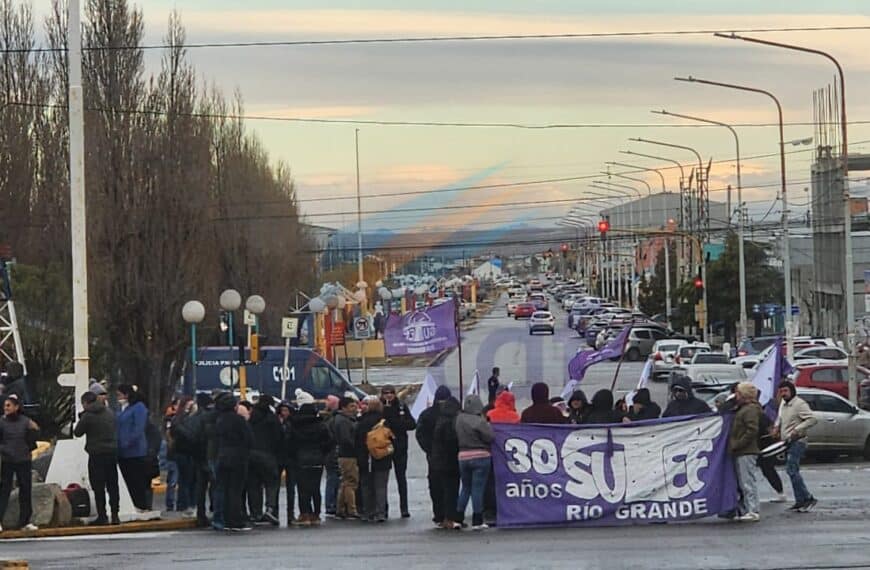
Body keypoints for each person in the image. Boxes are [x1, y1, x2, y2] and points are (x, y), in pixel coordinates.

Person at [74, 391, 120, 525]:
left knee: (98, 486)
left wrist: (82, 417)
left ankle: (102, 515)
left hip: (96, 455)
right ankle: (115, 515)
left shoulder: (88, 416)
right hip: (111, 452)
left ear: (86, 403)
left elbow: (78, 432)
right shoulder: (109, 412)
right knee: (113, 485)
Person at [774, 380, 818, 512]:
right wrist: (777, 427)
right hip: (787, 442)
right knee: (792, 471)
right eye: (781, 391)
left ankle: (807, 498)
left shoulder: (799, 404)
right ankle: (800, 500)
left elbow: (812, 419)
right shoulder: (783, 404)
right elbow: (780, 417)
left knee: (792, 469)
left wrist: (797, 429)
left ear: (792, 391)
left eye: (786, 391)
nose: (783, 394)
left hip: (798, 441)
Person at [290, 389, 332, 526]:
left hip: (301, 459)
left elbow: (290, 442)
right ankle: (316, 514)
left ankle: (305, 514)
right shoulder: (320, 425)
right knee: (315, 488)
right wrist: (322, 454)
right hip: (317, 459)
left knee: (303, 489)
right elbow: (329, 442)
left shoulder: (295, 425)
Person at [0, 394, 39, 531]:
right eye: (5, 405)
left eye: (9, 405)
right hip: (7, 460)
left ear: (16, 407)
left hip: (23, 460)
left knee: (25, 490)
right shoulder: (2, 422)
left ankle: (25, 521)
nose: (6, 408)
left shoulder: (26, 422)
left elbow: (34, 435)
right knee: (4, 490)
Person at [215, 393, 253, 531]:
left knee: (225, 489)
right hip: (238, 458)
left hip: (222, 456)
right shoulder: (239, 421)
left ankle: (226, 519)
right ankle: (236, 520)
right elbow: (249, 439)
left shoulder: (219, 420)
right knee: (236, 490)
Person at [455, 394, 494, 530]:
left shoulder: (459, 419)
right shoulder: (480, 421)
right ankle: (477, 520)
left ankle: (458, 518)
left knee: (465, 488)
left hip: (463, 456)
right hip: (480, 456)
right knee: (477, 489)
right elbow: (490, 437)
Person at [416, 385, 453, 526]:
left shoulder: (426, 414)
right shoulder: (453, 413)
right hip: (449, 455)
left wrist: (429, 449)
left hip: (433, 456)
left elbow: (420, 434)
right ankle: (450, 513)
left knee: (435, 485)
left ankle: (438, 514)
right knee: (450, 485)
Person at [728, 382, 763, 522]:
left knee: (748, 482)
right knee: (743, 482)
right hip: (741, 451)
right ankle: (746, 509)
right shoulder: (742, 408)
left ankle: (753, 510)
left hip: (746, 451)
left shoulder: (750, 410)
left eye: (738, 393)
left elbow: (752, 430)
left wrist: (737, 444)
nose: (736, 396)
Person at [380, 385, 416, 518]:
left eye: (391, 393)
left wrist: (398, 424)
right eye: (386, 393)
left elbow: (412, 424)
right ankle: (383, 508)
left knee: (401, 478)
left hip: (400, 447)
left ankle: (404, 508)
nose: (388, 395)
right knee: (382, 479)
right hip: (384, 446)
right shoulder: (379, 407)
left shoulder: (401, 406)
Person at [355, 396, 392, 523]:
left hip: (365, 458)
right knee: (381, 487)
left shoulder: (362, 422)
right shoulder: (384, 422)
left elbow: (358, 442)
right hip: (382, 458)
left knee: (366, 486)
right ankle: (380, 512)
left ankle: (367, 511)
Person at [116, 384, 151, 513]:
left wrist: (127, 442)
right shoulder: (124, 409)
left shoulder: (139, 408)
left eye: (120, 394)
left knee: (137, 480)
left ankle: (141, 505)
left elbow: (138, 428)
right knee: (128, 480)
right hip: (123, 452)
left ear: (127, 394)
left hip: (135, 451)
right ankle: (133, 504)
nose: (118, 397)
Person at [248, 395, 282, 525]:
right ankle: (270, 508)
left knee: (254, 485)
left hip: (252, 455)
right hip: (268, 455)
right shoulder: (271, 418)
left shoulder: (252, 418)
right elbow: (278, 437)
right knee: (272, 483)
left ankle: (255, 512)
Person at [430, 395, 462, 529]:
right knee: (451, 491)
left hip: (438, 461)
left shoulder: (440, 420)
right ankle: (450, 517)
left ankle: (443, 517)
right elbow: (451, 442)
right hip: (449, 462)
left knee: (442, 490)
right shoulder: (451, 423)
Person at [332, 396, 359, 519]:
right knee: (351, 482)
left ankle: (340, 508)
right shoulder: (343, 421)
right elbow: (346, 439)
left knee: (344, 483)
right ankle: (351, 509)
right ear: (344, 408)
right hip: (348, 455)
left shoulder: (343, 419)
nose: (355, 408)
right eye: (351, 406)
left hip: (345, 454)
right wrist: (356, 448)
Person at [757, 404, 786, 503]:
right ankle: (780, 492)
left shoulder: (760, 416)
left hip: (763, 447)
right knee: (768, 470)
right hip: (764, 446)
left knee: (768, 470)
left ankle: (780, 492)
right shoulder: (763, 415)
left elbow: (770, 431)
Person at [276, 401, 297, 525]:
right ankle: (275, 512)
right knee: (276, 486)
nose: (284, 413)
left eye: (286, 410)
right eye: (282, 410)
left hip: (290, 457)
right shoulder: (276, 423)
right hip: (281, 457)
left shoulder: (292, 424)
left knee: (291, 488)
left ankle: (291, 513)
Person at [323, 395, 342, 518]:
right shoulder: (335, 420)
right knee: (334, 478)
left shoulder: (326, 419)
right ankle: (332, 504)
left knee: (331, 478)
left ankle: (330, 504)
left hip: (327, 453)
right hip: (333, 452)